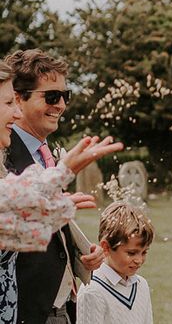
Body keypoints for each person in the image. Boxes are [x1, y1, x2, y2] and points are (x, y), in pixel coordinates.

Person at [0, 61, 123, 324]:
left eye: (65, 96)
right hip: (26, 306)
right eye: (52, 96)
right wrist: (63, 173)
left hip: (62, 305)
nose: (61, 105)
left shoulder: (48, 152)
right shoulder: (6, 154)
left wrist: (81, 254)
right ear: (20, 100)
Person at [76, 202, 154, 324]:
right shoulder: (92, 291)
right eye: (131, 253)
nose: (139, 260)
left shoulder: (141, 285)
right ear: (106, 247)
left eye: (144, 252)